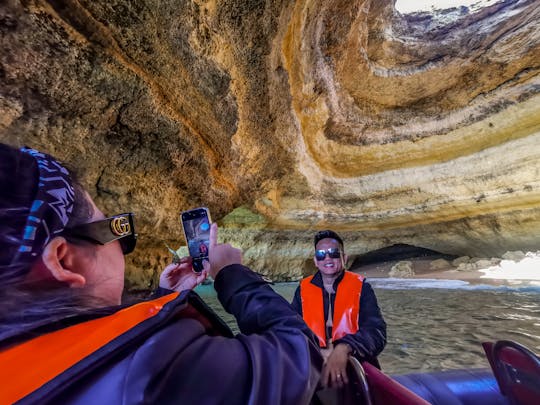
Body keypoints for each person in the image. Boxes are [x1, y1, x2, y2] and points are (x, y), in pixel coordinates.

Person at [0, 144, 323, 404]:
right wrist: (230, 272)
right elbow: (301, 361)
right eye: (114, 229)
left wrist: (165, 298)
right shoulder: (154, 368)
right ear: (64, 261)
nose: (123, 242)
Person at [292, 230, 386, 389]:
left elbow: (377, 333)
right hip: (313, 367)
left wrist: (344, 347)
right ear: (315, 261)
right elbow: (291, 329)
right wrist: (314, 352)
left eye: (334, 253)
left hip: (354, 367)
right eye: (321, 254)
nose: (327, 258)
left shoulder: (362, 288)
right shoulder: (302, 290)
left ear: (344, 258)